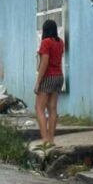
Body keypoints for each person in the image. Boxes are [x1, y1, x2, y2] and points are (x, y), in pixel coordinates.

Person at [34, 19, 65, 147]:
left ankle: (45, 140)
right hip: (59, 77)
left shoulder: (46, 43)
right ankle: (51, 139)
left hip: (48, 77)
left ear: (45, 30)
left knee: (39, 108)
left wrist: (38, 82)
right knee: (52, 109)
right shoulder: (60, 42)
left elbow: (44, 63)